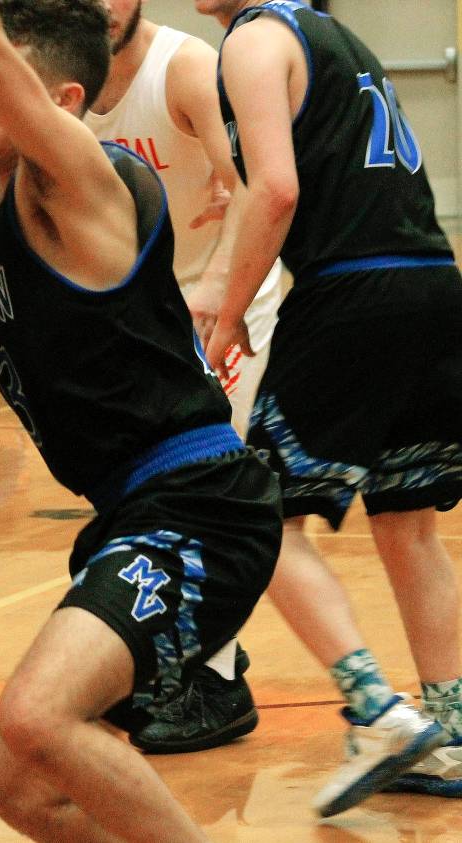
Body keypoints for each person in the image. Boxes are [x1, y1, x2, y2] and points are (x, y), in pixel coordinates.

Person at [0, 1, 282, 839]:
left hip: (199, 502)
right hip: (127, 517)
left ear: (62, 103)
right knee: (14, 787)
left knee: (36, 714)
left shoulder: (84, 183)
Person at [197, 0, 462, 816]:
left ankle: (377, 711)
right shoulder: (332, 38)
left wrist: (229, 311)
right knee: (409, 525)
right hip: (433, 284)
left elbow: (275, 189)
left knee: (259, 516)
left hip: (353, 291)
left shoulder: (252, 40)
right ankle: (453, 727)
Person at [82, 0, 284, 755]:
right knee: (143, 495)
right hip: (149, 313)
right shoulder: (65, 75)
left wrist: (220, 292)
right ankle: (182, 657)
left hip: (229, 298)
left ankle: (218, 682)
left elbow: (253, 186)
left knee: (205, 488)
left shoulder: (187, 66)